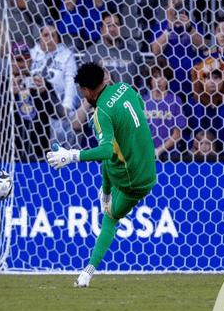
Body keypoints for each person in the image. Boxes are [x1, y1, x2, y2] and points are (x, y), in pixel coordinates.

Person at [46, 62, 157, 287]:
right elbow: (137, 107)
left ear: (86, 90)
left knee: (110, 219)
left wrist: (72, 155)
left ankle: (87, 273)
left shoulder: (101, 114)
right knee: (116, 153)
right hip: (147, 166)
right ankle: (106, 194)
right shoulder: (126, 88)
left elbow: (106, 151)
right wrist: (106, 191)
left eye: (81, 90)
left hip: (133, 182)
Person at [11, 42, 62, 161]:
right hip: (9, 156)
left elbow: (58, 113)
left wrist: (44, 92)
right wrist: (10, 95)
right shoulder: (0, 83)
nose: (23, 64)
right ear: (11, 61)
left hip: (39, 155)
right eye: (19, 60)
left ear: (31, 61)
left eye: (26, 60)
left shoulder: (41, 83)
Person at [30, 24, 79, 147]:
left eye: (53, 35)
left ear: (58, 38)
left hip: (57, 104)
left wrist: (66, 107)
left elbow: (70, 81)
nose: (49, 38)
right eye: (46, 35)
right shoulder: (31, 54)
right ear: (40, 38)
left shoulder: (67, 55)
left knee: (61, 123)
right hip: (33, 101)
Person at [150, 0, 205, 100]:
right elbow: (156, 50)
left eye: (179, 1)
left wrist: (189, 27)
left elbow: (202, 45)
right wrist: (170, 27)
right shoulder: (161, 27)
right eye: (173, 1)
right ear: (167, 5)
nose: (176, 4)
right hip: (169, 83)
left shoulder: (193, 25)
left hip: (192, 83)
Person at [188, 56, 224, 151]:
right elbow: (183, 131)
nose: (212, 82)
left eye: (216, 77)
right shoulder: (193, 103)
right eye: (206, 77)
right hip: (200, 157)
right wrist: (193, 147)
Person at [83, 10, 144, 90]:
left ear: (121, 28)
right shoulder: (93, 52)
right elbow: (84, 82)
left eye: (116, 24)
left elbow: (141, 82)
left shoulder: (132, 51)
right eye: (108, 25)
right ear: (102, 29)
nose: (112, 29)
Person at [143, 58, 187, 159]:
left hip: (169, 157)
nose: (158, 80)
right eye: (155, 76)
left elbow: (177, 134)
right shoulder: (142, 101)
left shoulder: (175, 101)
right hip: (145, 155)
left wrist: (159, 150)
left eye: (162, 77)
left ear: (168, 80)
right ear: (150, 79)